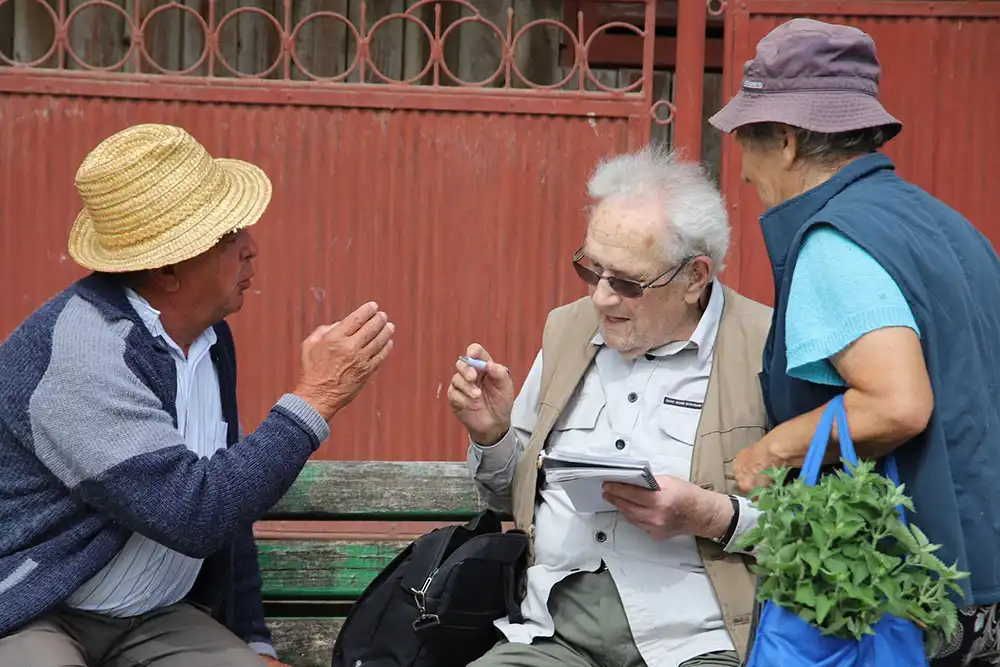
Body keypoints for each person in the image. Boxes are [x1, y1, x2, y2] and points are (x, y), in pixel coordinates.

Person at [0, 124, 395, 666]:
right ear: (167, 268)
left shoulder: (208, 337)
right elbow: (195, 510)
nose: (252, 249)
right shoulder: (82, 354)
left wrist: (253, 640)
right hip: (35, 610)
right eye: (231, 236)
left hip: (154, 617)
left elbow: (230, 499)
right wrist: (317, 397)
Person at [709, 18, 1000, 666]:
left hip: (908, 605)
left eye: (745, 141)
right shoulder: (947, 227)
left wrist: (773, 447)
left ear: (784, 141)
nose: (744, 168)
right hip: (980, 584)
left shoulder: (833, 240)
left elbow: (898, 404)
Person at [447, 148, 772, 667]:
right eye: (590, 270)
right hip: (554, 638)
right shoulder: (568, 329)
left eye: (626, 282)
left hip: (695, 645)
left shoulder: (765, 349)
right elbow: (510, 499)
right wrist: (493, 436)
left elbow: (821, 535)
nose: (600, 298)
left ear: (695, 277)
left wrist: (713, 515)